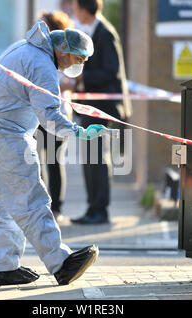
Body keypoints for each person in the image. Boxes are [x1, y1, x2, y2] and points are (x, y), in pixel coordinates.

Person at [0, 19, 108, 286]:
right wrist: (79, 132)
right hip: (5, 136)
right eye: (77, 58)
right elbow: (50, 116)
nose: (76, 66)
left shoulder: (24, 48)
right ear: (63, 49)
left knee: (8, 205)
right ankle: (61, 263)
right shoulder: (42, 64)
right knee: (32, 199)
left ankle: (4, 266)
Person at [70, 0, 131, 225]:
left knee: (97, 157)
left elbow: (111, 71)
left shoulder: (105, 33)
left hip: (103, 107)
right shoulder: (93, 31)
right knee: (89, 157)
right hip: (91, 106)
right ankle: (92, 207)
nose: (74, 11)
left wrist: (83, 77)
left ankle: (100, 210)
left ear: (84, 9)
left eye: (76, 7)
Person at [37, 10, 75, 222]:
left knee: (54, 160)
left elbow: (72, 80)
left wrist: (54, 82)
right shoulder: (38, 50)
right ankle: (42, 205)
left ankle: (56, 209)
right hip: (38, 113)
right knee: (35, 160)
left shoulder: (65, 49)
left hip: (58, 113)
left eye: (43, 25)